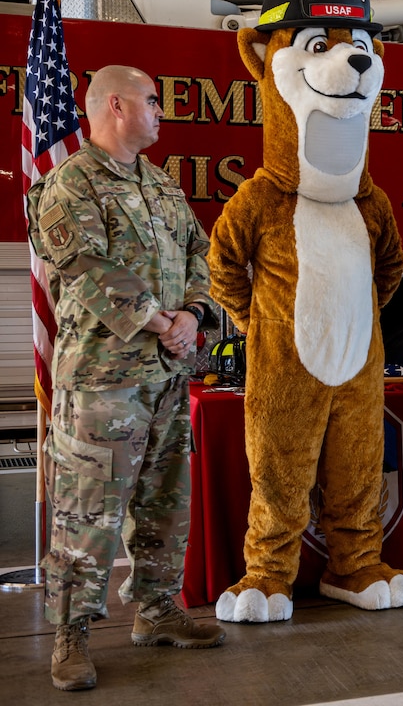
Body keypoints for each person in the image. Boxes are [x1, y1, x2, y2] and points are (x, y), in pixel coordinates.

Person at [26, 66, 225, 692]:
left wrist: (193, 315)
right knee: (87, 512)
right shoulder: (71, 182)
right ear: (116, 105)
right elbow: (84, 265)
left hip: (165, 376)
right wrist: (160, 320)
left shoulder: (162, 186)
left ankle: (158, 608)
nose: (161, 111)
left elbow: (200, 251)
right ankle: (71, 633)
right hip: (102, 384)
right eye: (152, 101)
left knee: (164, 502)